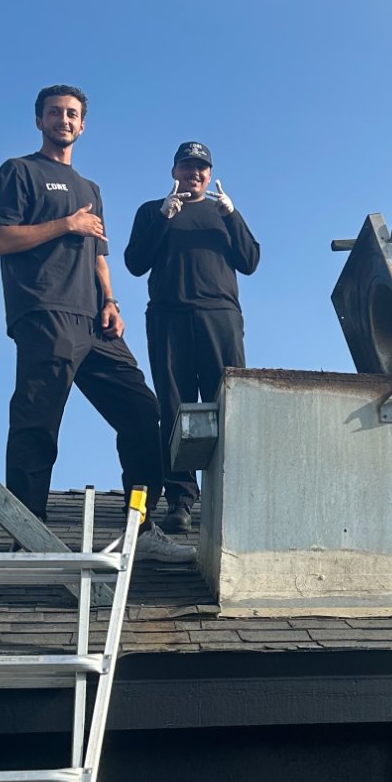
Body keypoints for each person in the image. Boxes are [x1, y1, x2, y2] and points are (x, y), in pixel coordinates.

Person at [0, 85, 186, 559]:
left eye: (72, 114)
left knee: (142, 411)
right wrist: (65, 224)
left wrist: (110, 301)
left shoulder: (90, 189)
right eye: (55, 112)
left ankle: (140, 528)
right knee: (37, 421)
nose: (64, 120)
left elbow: (98, 255)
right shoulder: (19, 171)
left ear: (83, 124)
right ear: (40, 120)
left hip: (95, 320)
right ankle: (26, 537)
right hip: (45, 312)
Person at [124, 141, 261, 538]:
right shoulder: (152, 211)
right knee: (174, 407)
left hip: (220, 317)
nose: (194, 174)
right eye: (187, 167)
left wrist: (233, 215)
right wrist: (163, 218)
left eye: (201, 168)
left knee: (227, 403)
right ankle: (181, 500)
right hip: (168, 318)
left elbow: (250, 261)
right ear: (174, 172)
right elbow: (134, 263)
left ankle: (231, 496)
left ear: (209, 173)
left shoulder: (222, 213)